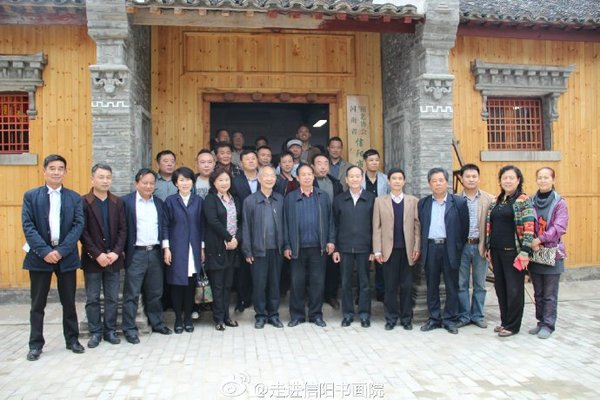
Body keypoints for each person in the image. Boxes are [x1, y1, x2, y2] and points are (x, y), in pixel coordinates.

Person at [22, 154, 85, 361]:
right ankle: (35, 344)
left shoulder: (74, 198)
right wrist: (45, 251)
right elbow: (28, 226)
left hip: (65, 256)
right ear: (44, 171)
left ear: (65, 172)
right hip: (40, 256)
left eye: (60, 168)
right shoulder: (31, 196)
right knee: (37, 303)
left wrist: (61, 251)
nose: (56, 172)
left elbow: (78, 226)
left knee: (69, 301)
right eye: (52, 168)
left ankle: (72, 339)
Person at [121, 168, 173, 344]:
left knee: (155, 292)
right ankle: (129, 329)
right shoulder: (126, 202)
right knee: (132, 293)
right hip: (136, 253)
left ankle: (157, 323)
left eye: (152, 183)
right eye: (145, 183)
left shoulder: (158, 203)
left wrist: (165, 248)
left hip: (155, 252)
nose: (148, 186)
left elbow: (164, 227)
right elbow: (122, 229)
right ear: (137, 183)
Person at [80, 163, 127, 348]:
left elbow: (123, 229)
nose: (105, 181)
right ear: (92, 179)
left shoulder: (117, 202)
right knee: (92, 298)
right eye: (101, 177)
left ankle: (110, 330)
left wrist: (116, 252)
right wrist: (96, 254)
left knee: (112, 297)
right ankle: (95, 332)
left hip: (113, 258)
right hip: (93, 259)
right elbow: (83, 232)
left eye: (108, 177)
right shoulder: (84, 202)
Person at [418, 168, 469, 335]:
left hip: (450, 248)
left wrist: (457, 247)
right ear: (429, 184)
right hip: (431, 247)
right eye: (434, 181)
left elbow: (464, 228)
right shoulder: (423, 203)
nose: (438, 184)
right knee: (431, 284)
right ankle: (434, 318)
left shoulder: (459, 202)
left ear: (447, 182)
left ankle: (450, 319)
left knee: (451, 285)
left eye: (441, 180)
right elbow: (421, 226)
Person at [485, 165, 535, 337]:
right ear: (500, 181)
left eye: (511, 178)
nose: (507, 181)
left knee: (514, 289)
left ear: (518, 180)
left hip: (514, 252)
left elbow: (529, 228)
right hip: (496, 252)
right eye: (504, 178)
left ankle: (513, 325)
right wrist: (488, 247)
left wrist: (525, 251)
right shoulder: (496, 201)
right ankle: (505, 321)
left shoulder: (523, 200)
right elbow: (490, 226)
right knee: (501, 288)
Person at [284, 164, 335, 327]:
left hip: (318, 247)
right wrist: (287, 245)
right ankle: (297, 316)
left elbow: (331, 220)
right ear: (297, 178)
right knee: (296, 282)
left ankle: (316, 315)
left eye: (309, 174)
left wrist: (331, 240)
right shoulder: (290, 198)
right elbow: (285, 223)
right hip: (297, 248)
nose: (307, 177)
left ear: (313, 176)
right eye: (303, 175)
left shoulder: (323, 196)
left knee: (317, 283)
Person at [372, 168, 421, 331]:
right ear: (388, 181)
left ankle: (406, 318)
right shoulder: (380, 201)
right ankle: (391, 318)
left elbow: (417, 227)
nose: (397, 181)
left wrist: (417, 247)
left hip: (407, 251)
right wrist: (377, 250)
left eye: (400, 178)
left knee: (407, 286)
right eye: (394, 178)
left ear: (404, 181)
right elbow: (376, 227)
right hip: (388, 251)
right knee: (390, 286)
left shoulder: (413, 201)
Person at [162, 167, 205, 334]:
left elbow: (202, 226)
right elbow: (165, 225)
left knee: (190, 285)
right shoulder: (170, 201)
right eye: (181, 180)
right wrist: (166, 248)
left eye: (188, 180)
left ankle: (188, 318)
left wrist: (202, 248)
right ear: (176, 183)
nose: (185, 183)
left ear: (192, 182)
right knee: (177, 284)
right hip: (176, 247)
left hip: (193, 247)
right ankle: (178, 320)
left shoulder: (198, 201)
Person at [242, 166, 285, 329]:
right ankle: (260, 315)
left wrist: (286, 246)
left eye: (272, 176)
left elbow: (286, 224)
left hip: (277, 249)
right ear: (259, 179)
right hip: (258, 250)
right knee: (259, 285)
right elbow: (246, 227)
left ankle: (273, 315)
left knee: (275, 284)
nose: (269, 178)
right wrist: (247, 250)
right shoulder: (250, 201)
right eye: (265, 176)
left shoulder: (280, 199)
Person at [332, 165, 376, 327]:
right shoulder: (339, 200)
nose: (355, 179)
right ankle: (348, 314)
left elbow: (375, 225)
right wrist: (336, 248)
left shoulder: (371, 198)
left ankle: (364, 314)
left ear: (362, 178)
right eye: (351, 176)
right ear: (346, 179)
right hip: (345, 247)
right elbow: (334, 225)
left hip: (365, 247)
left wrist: (374, 249)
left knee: (364, 283)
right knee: (346, 283)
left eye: (358, 176)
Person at [528, 167, 568, 339]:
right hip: (535, 253)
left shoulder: (560, 203)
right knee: (538, 293)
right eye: (540, 177)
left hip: (552, 254)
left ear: (553, 180)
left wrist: (540, 239)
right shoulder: (530, 201)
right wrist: (531, 241)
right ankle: (540, 322)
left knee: (549, 294)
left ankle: (548, 325)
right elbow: (526, 223)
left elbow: (559, 227)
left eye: (546, 177)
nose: (543, 180)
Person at [203, 168, 242, 331]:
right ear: (213, 182)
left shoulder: (235, 199)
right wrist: (228, 238)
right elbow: (213, 221)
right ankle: (218, 318)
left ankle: (227, 316)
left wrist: (236, 239)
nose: (224, 183)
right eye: (220, 180)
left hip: (233, 248)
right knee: (217, 285)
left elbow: (241, 221)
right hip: (217, 247)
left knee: (227, 285)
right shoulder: (210, 199)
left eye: (226, 180)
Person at [456, 164, 493, 329]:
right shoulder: (455, 199)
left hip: (481, 246)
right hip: (462, 246)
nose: (471, 179)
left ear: (479, 178)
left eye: (474, 176)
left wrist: (490, 247)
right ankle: (464, 316)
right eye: (467, 176)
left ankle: (477, 315)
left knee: (480, 284)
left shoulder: (489, 199)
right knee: (461, 283)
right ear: (461, 179)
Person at [312, 153, 344, 310]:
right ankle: (314, 297)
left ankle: (331, 295)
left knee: (332, 265)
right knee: (314, 266)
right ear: (312, 166)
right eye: (319, 163)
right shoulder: (308, 182)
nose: (323, 166)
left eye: (326, 163)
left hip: (332, 227)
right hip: (313, 229)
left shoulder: (335, 183)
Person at [232, 150, 260, 312]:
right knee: (243, 266)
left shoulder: (266, 178)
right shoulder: (235, 182)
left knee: (261, 266)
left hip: (263, 227)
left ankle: (260, 299)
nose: (250, 161)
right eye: (247, 159)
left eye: (253, 158)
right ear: (241, 164)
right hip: (243, 226)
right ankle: (243, 299)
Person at [361, 148, 390, 302]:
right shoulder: (359, 179)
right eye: (371, 160)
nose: (374, 163)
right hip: (364, 221)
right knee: (364, 259)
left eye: (377, 160)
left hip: (381, 222)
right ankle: (362, 293)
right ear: (365, 162)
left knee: (381, 257)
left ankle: (381, 291)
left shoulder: (385, 179)